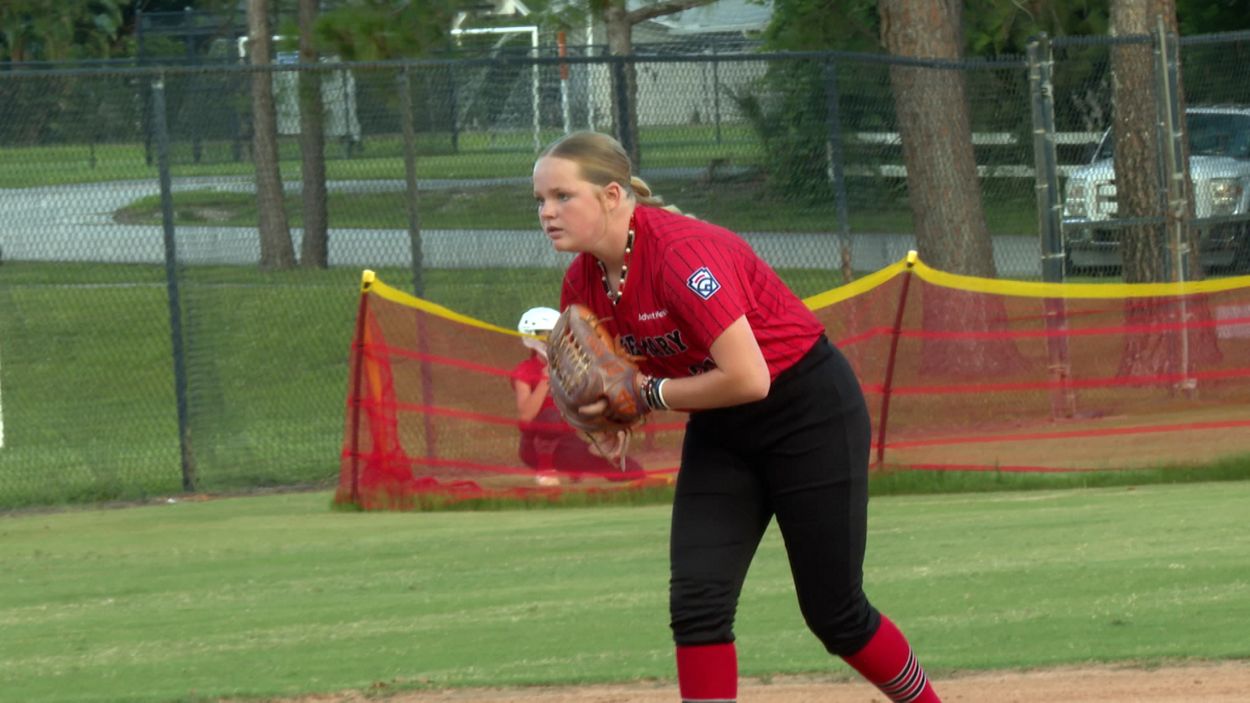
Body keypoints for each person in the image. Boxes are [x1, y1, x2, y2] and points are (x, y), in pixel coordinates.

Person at [532, 131, 941, 703]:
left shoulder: (680, 255)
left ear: (612, 195)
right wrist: (606, 418)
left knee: (836, 615)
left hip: (807, 411)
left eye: (562, 196)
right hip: (722, 430)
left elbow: (750, 378)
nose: (547, 212)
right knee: (697, 604)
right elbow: (621, 381)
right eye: (540, 200)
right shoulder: (583, 282)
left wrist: (647, 394)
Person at [511, 306, 643, 485]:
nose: (553, 339)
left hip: (568, 443)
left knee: (632, 471)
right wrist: (545, 378)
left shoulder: (573, 366)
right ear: (531, 336)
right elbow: (526, 417)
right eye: (547, 334)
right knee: (552, 415)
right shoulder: (525, 370)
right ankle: (545, 469)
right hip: (533, 447)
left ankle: (575, 469)